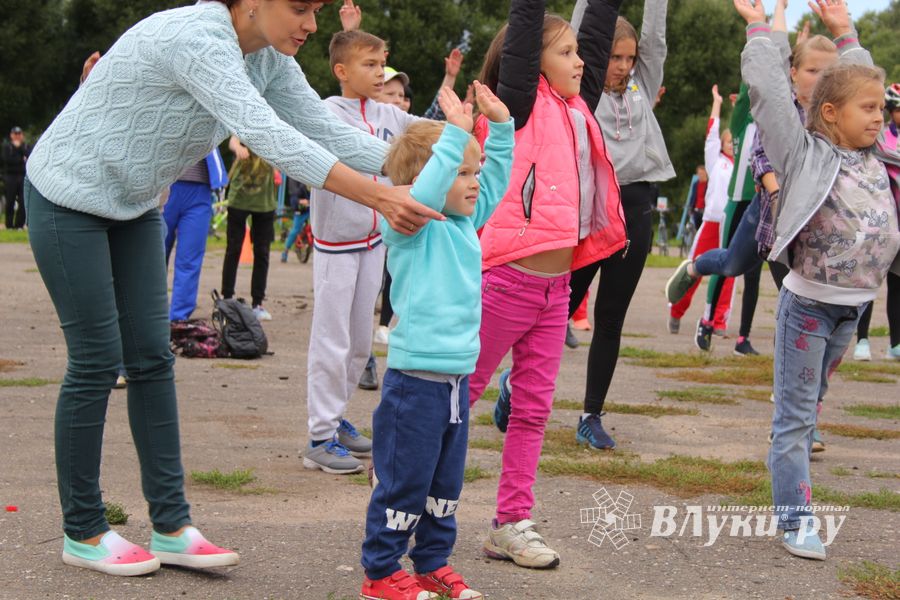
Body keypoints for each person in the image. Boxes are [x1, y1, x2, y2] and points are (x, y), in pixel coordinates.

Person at [23, 0, 441, 577]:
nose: (312, 25)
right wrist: (379, 195)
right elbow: (269, 134)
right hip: (66, 196)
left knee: (151, 359)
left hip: (134, 204)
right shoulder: (198, 38)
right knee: (97, 361)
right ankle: (84, 529)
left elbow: (322, 130)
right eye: (300, 8)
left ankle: (171, 527)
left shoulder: (269, 56)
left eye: (317, 10)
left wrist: (432, 168)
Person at [735, 0, 900, 560]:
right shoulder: (804, 153)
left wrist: (846, 32)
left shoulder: (875, 154)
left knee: (812, 404)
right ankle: (795, 519)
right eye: (868, 109)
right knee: (796, 417)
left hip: (853, 308)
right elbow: (767, 92)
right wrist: (760, 28)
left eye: (881, 108)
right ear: (830, 112)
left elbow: (858, 80)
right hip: (808, 308)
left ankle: (793, 486)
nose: (878, 117)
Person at [470, 0, 626, 569]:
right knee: (458, 394)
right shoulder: (518, 106)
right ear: (532, 63)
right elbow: (524, 32)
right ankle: (404, 482)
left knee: (533, 411)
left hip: (555, 290)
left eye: (579, 52)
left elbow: (600, 36)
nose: (581, 61)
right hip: (505, 282)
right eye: (566, 52)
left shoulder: (577, 108)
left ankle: (510, 523)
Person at [361, 83, 512, 600]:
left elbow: (495, 182)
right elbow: (426, 194)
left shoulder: (464, 224)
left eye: (473, 171)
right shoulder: (410, 223)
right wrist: (454, 136)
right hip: (414, 384)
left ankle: (430, 563)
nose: (474, 182)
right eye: (461, 172)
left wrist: (501, 129)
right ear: (428, 178)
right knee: (404, 482)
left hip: (454, 382)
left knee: (445, 486)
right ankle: (380, 573)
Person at [303, 29, 428, 475]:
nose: (380, 74)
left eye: (382, 64)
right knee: (331, 341)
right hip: (335, 245)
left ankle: (335, 420)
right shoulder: (323, 113)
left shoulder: (390, 114)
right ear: (341, 71)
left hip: (375, 243)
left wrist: (470, 121)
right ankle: (318, 438)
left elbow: (431, 135)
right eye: (369, 65)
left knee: (360, 344)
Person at [564, 0, 674, 450]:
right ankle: (517, 384)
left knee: (610, 318)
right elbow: (579, 32)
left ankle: (591, 415)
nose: (625, 66)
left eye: (630, 58)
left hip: (637, 205)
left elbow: (656, 39)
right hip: (592, 210)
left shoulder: (642, 86)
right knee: (558, 310)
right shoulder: (582, 89)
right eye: (615, 57)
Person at [667, 86, 736, 343]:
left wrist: (740, 110)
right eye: (727, 142)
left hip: (731, 225)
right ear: (721, 145)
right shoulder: (715, 161)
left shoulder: (744, 165)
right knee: (694, 270)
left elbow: (749, 132)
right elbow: (712, 133)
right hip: (711, 223)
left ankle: (718, 321)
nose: (731, 145)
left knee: (729, 274)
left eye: (734, 142)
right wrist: (717, 103)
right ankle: (676, 311)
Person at [164, 151, 229, 322]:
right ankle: (150, 315)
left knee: (189, 260)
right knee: (154, 258)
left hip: (200, 191)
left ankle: (178, 319)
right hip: (165, 186)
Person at [221, 136, 278, 321]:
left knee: (262, 252)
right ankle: (227, 299)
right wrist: (238, 148)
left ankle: (257, 303)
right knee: (233, 249)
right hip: (239, 199)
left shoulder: (273, 128)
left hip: (265, 203)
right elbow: (233, 140)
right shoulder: (245, 123)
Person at [1, 126, 30, 229]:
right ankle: (9, 225)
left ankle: (19, 224)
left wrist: (19, 148)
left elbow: (29, 157)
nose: (17, 136)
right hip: (10, 176)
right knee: (10, 200)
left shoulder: (26, 146)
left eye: (19, 134)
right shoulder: (7, 147)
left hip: (22, 176)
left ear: (22, 135)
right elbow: (7, 160)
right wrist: (20, 159)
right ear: (11, 135)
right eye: (15, 134)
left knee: (23, 201)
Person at [280, 176, 312, 262]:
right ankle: (285, 251)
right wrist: (300, 201)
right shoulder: (300, 186)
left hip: (311, 210)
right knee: (295, 230)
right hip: (301, 210)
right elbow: (294, 198)